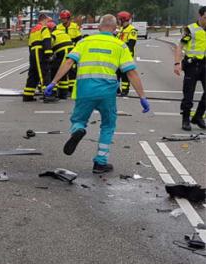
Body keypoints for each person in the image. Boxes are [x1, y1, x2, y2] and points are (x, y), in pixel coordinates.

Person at [45, 14, 150, 174]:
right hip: (107, 92)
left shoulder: (84, 42)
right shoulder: (120, 45)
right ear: (115, 29)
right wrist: (142, 97)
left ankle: (78, 130)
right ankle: (100, 163)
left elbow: (68, 62)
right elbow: (131, 73)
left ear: (98, 27)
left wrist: (53, 82)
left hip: (85, 90)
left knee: (78, 119)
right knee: (108, 125)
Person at [174, 5, 206, 131]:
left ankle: (198, 117)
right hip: (192, 65)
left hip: (204, 65)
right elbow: (180, 46)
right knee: (188, 95)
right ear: (200, 16)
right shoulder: (191, 29)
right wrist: (177, 63)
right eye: (205, 17)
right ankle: (186, 119)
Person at [22, 14, 54, 102]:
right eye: (48, 21)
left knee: (33, 74)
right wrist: (49, 55)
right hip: (40, 52)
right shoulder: (44, 29)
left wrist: (32, 56)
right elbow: (46, 42)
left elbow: (29, 44)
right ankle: (48, 95)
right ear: (44, 20)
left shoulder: (33, 30)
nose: (48, 23)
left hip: (33, 52)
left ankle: (27, 95)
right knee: (44, 73)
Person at [49, 20, 73, 100]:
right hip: (70, 51)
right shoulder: (61, 32)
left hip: (64, 52)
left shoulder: (52, 34)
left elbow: (50, 47)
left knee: (56, 70)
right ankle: (63, 94)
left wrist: (49, 57)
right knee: (64, 73)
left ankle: (53, 92)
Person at [116, 11, 137, 96]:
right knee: (116, 74)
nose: (118, 21)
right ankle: (116, 89)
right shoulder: (121, 29)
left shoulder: (132, 30)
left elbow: (131, 44)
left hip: (126, 55)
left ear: (123, 20)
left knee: (125, 74)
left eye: (119, 20)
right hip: (118, 55)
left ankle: (125, 90)